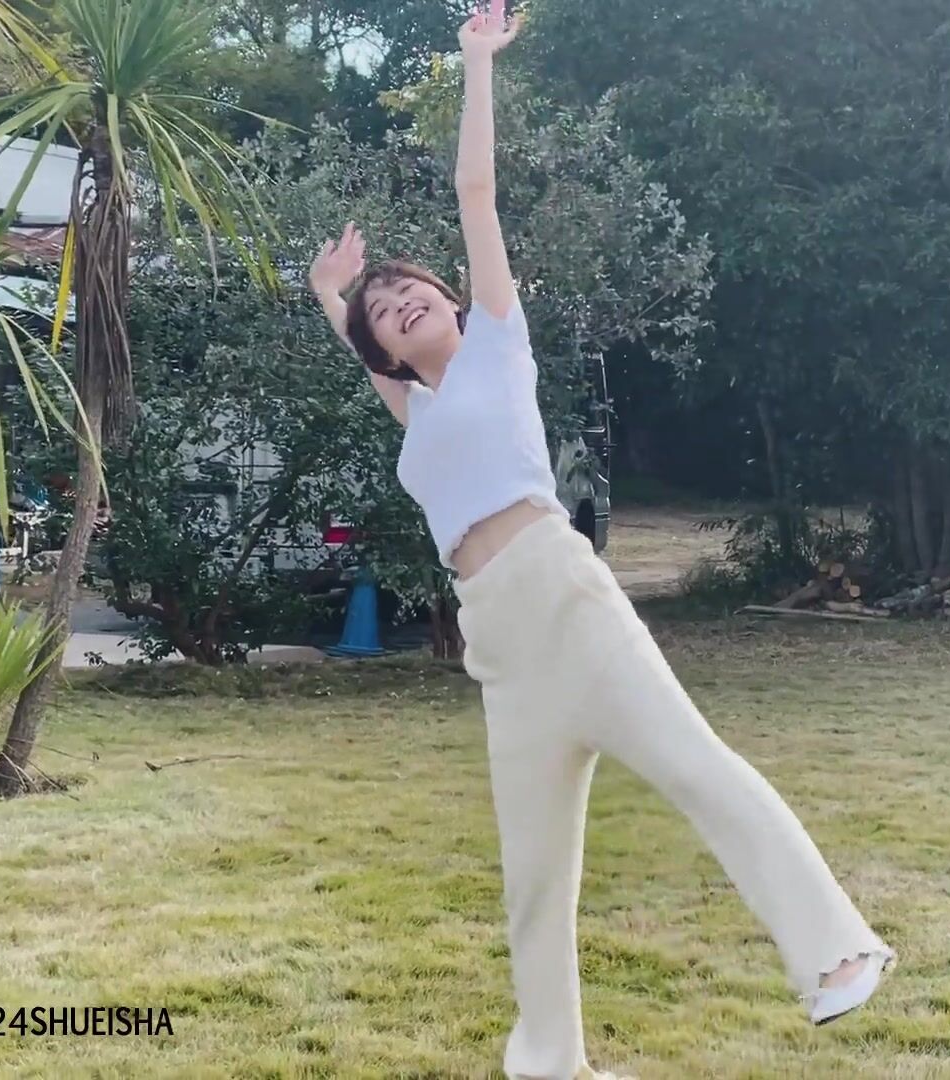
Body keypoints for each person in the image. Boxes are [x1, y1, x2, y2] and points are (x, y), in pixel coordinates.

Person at [306, 10, 894, 1080]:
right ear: (385, 349)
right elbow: (361, 354)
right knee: (535, 877)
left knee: (697, 769)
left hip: (565, 598)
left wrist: (476, 63)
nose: (402, 304)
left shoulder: (496, 345)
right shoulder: (418, 415)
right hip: (500, 646)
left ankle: (837, 950)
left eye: (413, 291)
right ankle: (552, 1063)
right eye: (384, 310)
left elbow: (475, 195)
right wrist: (329, 299)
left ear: (453, 300)